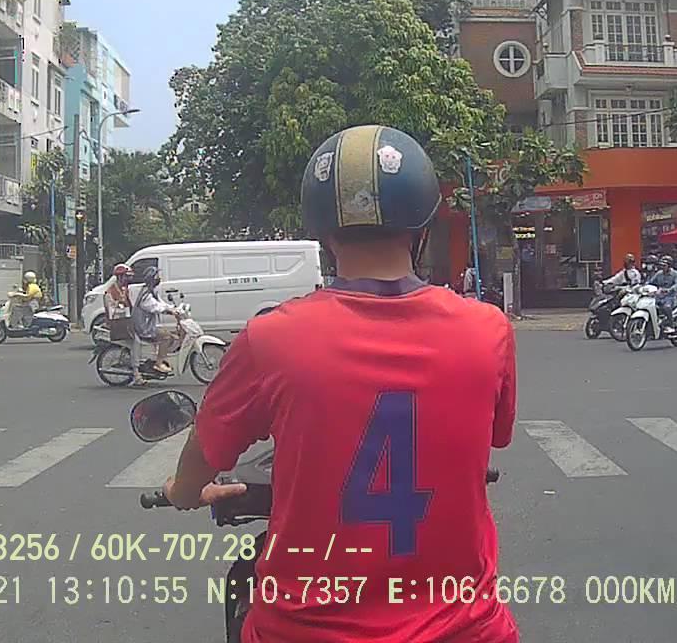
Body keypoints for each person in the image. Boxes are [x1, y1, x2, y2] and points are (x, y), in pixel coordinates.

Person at [161, 125, 518, 643]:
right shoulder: (488, 330)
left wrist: (183, 491)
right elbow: (494, 437)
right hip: (465, 629)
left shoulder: (270, 338)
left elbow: (206, 448)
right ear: (421, 227)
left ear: (324, 234)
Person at [132, 266, 181, 377]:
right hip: (144, 328)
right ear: (151, 279)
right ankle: (159, 363)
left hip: (149, 325)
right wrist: (168, 311)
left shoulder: (152, 291)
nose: (159, 278)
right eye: (156, 276)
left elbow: (161, 303)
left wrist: (174, 308)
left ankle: (161, 357)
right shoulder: (146, 296)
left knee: (173, 336)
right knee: (166, 337)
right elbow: (155, 307)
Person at [648, 255, 677, 328]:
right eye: (661, 265)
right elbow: (651, 282)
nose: (662, 267)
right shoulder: (659, 273)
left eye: (664, 265)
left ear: (669, 266)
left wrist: (669, 289)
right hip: (658, 295)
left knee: (667, 307)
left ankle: (671, 324)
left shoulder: (675, 274)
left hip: (670, 296)